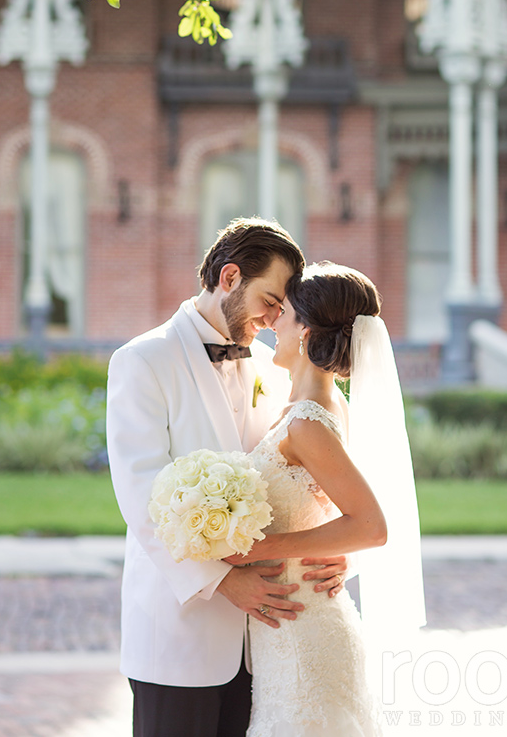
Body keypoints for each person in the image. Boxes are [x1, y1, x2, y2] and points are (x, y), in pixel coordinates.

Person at [106, 220, 350, 737]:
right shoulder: (142, 361)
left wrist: (333, 548)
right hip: (179, 634)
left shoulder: (275, 366)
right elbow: (142, 496)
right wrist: (224, 581)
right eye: (270, 299)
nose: (274, 319)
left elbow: (306, 478)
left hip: (270, 644)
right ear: (230, 276)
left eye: (284, 308)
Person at [225, 261, 426, 737]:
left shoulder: (308, 423)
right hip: (294, 627)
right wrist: (337, 555)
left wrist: (258, 551)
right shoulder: (319, 408)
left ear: (306, 331)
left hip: (304, 637)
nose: (273, 321)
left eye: (284, 313)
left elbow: (371, 526)